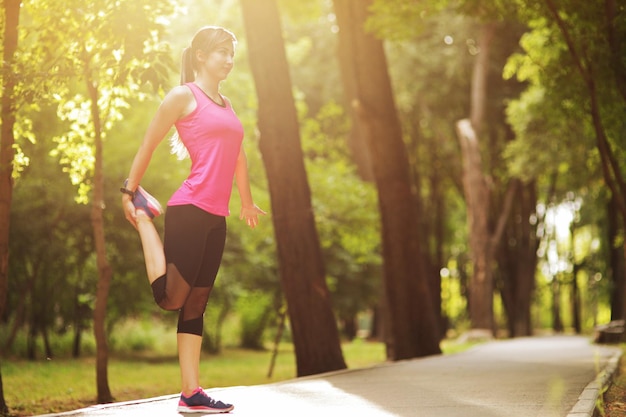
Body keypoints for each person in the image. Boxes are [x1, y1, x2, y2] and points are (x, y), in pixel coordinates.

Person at [121, 26, 266, 414]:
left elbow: (238, 154)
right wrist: (128, 189)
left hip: (216, 216)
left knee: (197, 303)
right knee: (171, 298)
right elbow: (148, 142)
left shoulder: (226, 103)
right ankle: (144, 219)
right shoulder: (183, 96)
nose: (228, 59)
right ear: (200, 55)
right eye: (221, 51)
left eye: (232, 53)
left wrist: (247, 202)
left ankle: (191, 393)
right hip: (189, 209)